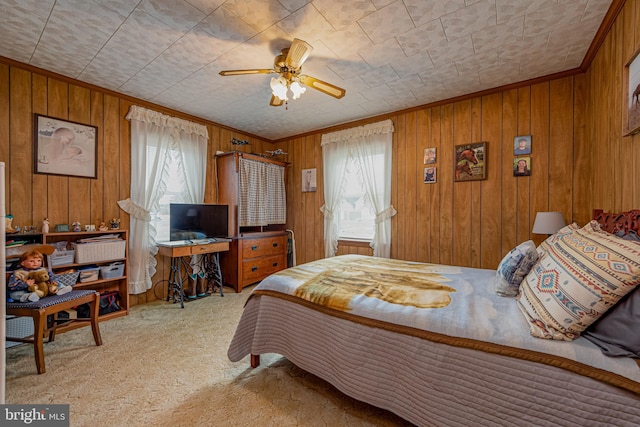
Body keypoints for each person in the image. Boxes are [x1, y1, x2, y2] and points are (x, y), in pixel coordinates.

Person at [7, 250, 71, 303]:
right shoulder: (18, 273)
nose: (36, 263)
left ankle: (61, 289)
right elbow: (12, 286)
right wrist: (25, 284)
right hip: (28, 290)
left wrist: (54, 281)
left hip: (45, 289)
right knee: (14, 294)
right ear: (23, 263)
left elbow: (52, 276)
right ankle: (30, 297)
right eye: (31, 261)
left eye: (39, 261)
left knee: (57, 283)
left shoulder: (43, 270)